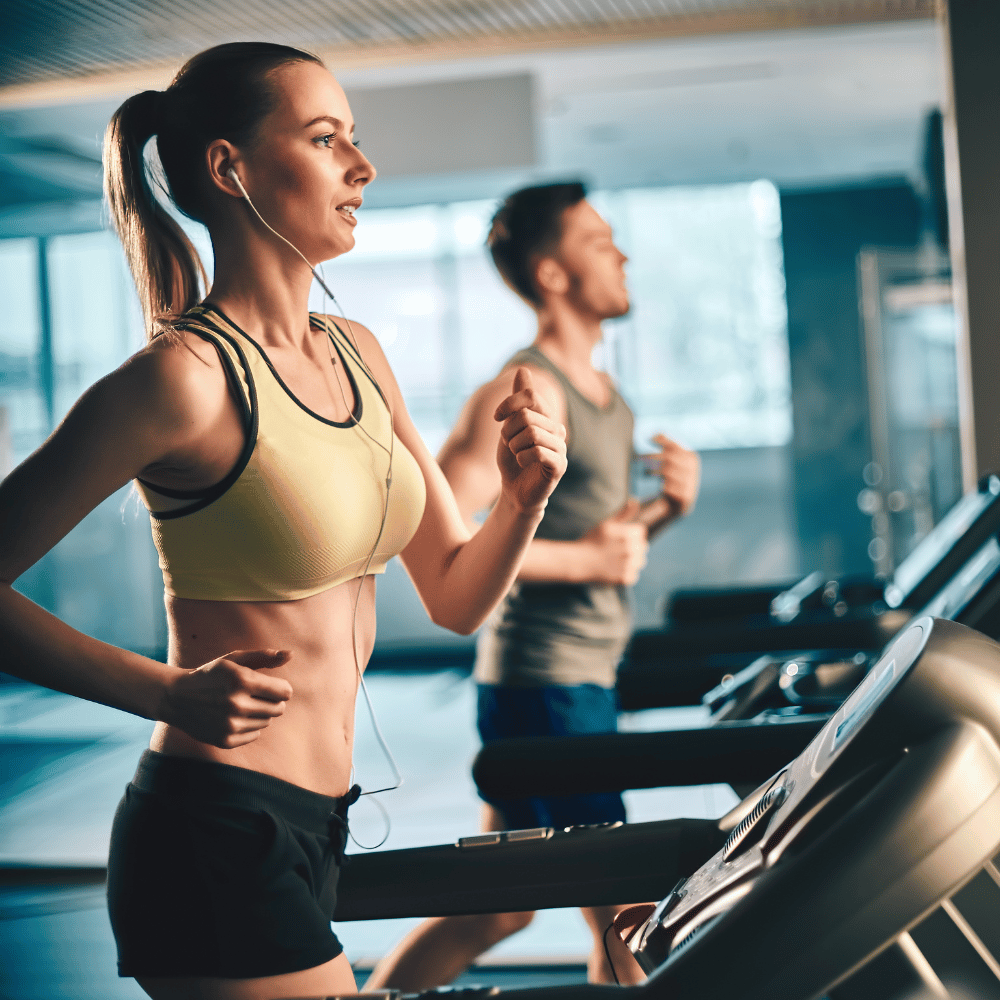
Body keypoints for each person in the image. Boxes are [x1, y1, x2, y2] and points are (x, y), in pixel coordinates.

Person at [0, 44, 568, 1000]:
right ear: (230, 170)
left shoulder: (360, 352)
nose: (362, 165)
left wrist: (523, 501)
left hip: (319, 822)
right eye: (324, 138)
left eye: (355, 137)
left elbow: (457, 595)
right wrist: (165, 693)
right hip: (212, 828)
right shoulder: (179, 381)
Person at [365, 183, 701, 990]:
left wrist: (662, 512)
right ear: (552, 274)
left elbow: (594, 543)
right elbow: (431, 520)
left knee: (499, 908)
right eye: (598, 240)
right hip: (544, 683)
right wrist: (587, 562)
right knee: (622, 905)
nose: (620, 254)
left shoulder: (605, 399)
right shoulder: (528, 387)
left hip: (579, 678)